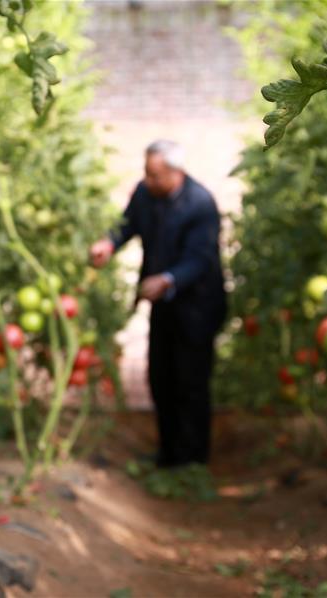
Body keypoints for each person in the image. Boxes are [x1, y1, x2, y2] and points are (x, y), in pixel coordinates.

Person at [90, 140, 227, 467]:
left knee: (191, 382)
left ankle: (193, 461)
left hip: (198, 307)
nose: (148, 181)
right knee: (161, 378)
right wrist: (109, 243)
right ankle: (168, 455)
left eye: (155, 176)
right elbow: (127, 225)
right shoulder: (145, 194)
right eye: (146, 173)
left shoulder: (200, 205)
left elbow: (199, 258)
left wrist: (167, 279)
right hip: (164, 305)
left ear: (175, 172)